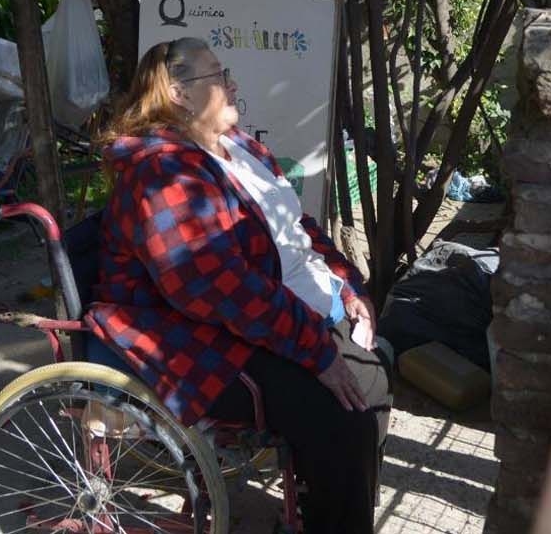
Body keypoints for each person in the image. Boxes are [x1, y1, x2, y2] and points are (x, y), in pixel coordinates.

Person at [87, 37, 389, 534]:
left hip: (278, 310)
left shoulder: (239, 147)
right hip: (193, 337)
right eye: (219, 77)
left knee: (374, 375)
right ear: (179, 94)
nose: (233, 86)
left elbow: (298, 229)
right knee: (348, 411)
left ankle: (325, 506)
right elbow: (218, 287)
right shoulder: (161, 174)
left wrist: (346, 283)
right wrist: (314, 347)